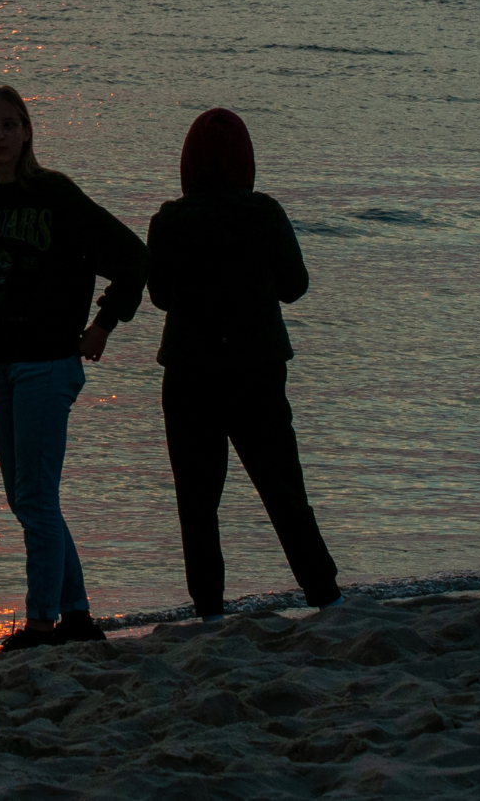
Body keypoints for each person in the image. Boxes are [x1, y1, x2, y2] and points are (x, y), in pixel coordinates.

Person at [0, 85, 147, 652]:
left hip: (49, 363)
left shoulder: (56, 195)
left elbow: (131, 258)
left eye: (9, 124)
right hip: (1, 367)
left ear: (27, 131)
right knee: (30, 497)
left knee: (34, 497)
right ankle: (75, 616)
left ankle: (40, 625)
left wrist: (103, 324)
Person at [146, 108, 342, 623]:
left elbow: (161, 296)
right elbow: (296, 285)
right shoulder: (265, 213)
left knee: (197, 499)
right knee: (283, 487)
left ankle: (209, 609)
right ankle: (324, 593)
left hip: (189, 371)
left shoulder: (169, 219)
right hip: (258, 366)